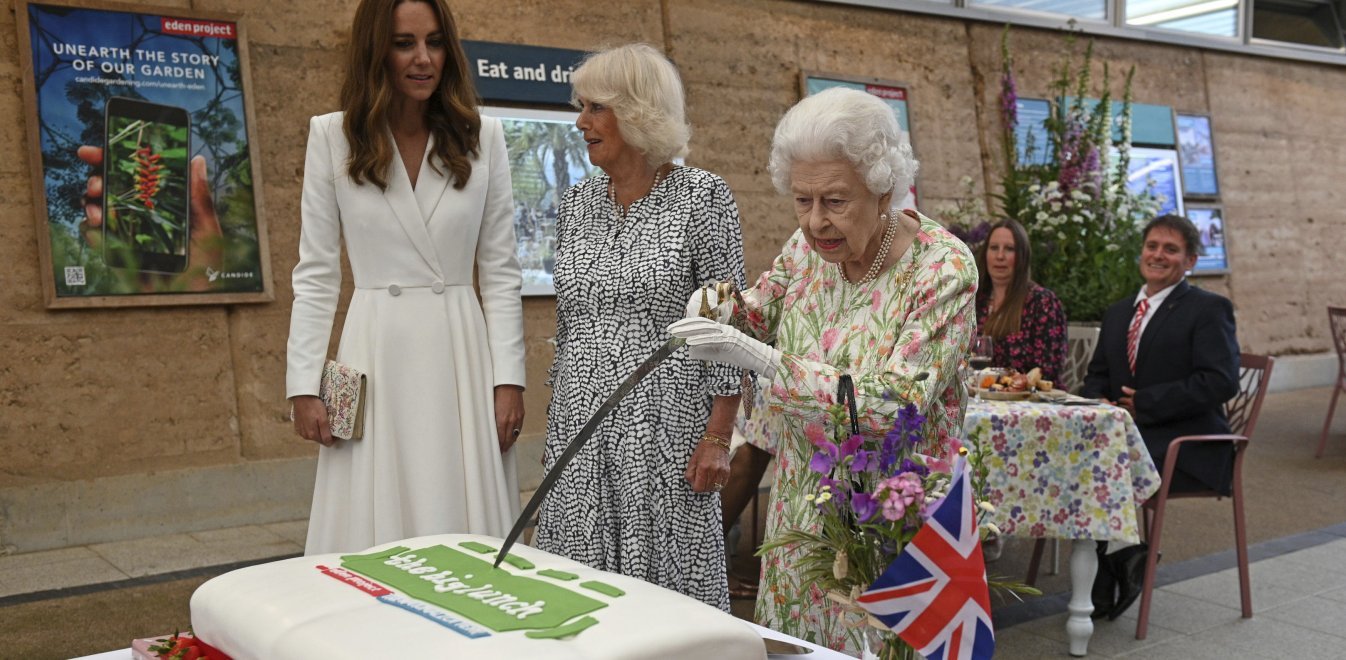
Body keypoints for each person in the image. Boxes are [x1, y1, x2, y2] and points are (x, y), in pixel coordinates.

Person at [670, 87, 977, 654]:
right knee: (799, 649)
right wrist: (714, 304)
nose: (815, 222)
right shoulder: (808, 246)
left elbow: (895, 402)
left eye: (835, 200)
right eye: (802, 200)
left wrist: (762, 360)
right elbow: (759, 309)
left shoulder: (943, 266)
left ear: (883, 188)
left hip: (893, 516)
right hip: (803, 509)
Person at [286, 0, 525, 554]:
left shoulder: (482, 137)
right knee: (372, 527)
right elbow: (317, 272)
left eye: (435, 42)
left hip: (459, 351)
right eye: (404, 43)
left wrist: (508, 379)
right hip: (374, 350)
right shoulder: (332, 137)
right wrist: (303, 384)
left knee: (462, 515)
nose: (423, 59)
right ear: (376, 51)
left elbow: (500, 270)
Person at [534, 44, 745, 612]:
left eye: (595, 108)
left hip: (665, 431)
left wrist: (720, 436)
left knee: (663, 596)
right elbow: (569, 317)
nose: (581, 122)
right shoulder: (577, 204)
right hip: (579, 426)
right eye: (582, 108)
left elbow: (726, 325)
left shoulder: (703, 197)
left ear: (638, 112)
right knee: (578, 591)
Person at [1081, 213, 1239, 620]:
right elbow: (1096, 376)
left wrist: (1146, 402)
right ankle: (1121, 558)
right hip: (1127, 443)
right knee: (1076, 458)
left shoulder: (1208, 309)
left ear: (1190, 262)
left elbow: (1220, 382)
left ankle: (1107, 574)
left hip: (1187, 446)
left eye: (1171, 249)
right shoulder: (1119, 313)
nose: (1158, 255)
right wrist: (1102, 401)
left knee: (1099, 467)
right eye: (1152, 246)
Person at [975, 218, 1068, 382]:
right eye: (994, 248)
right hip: (982, 397)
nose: (1000, 256)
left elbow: (1049, 368)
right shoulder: (976, 301)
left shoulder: (1042, 302)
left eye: (1009, 249)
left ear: (1022, 256)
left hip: (1030, 401)